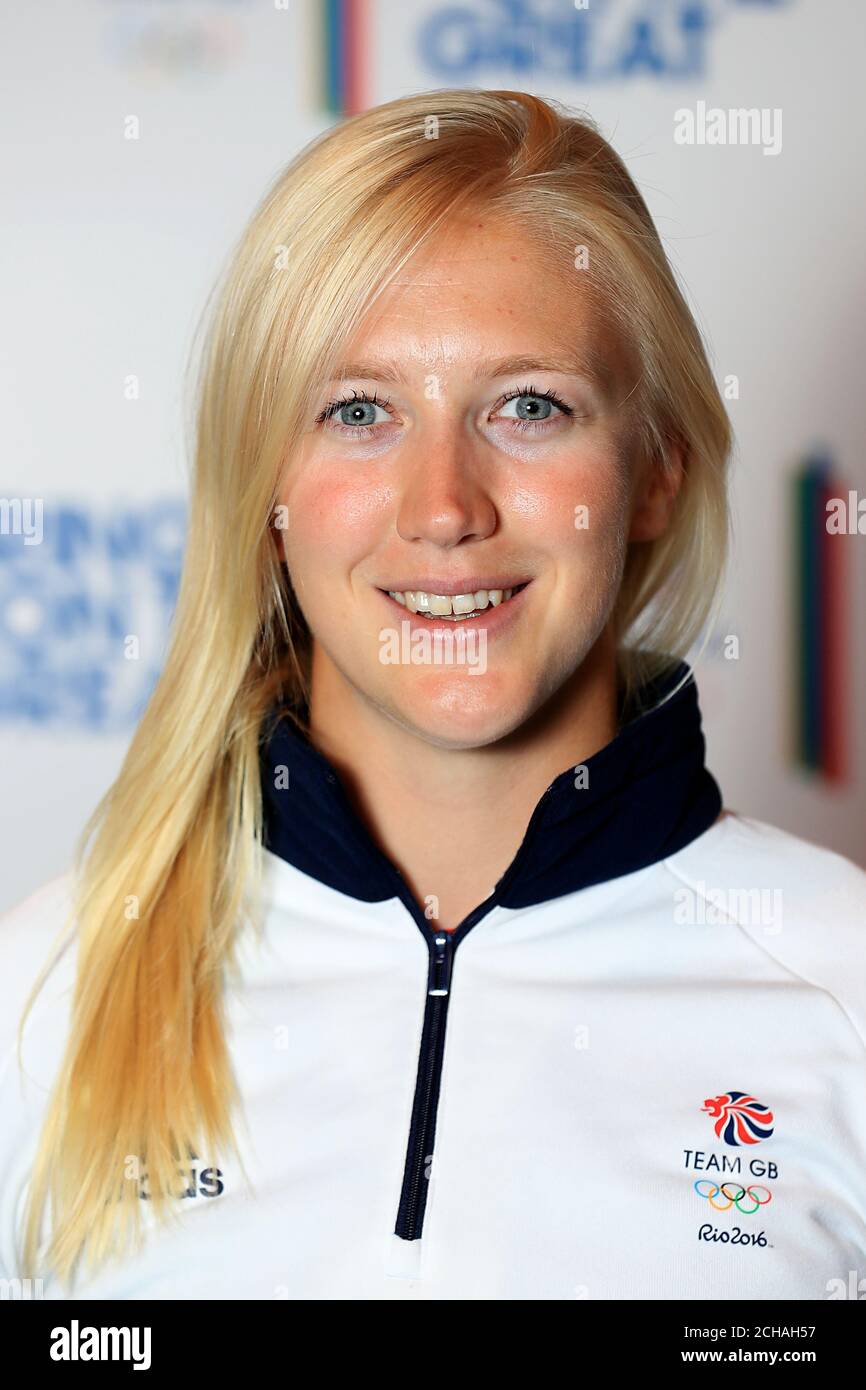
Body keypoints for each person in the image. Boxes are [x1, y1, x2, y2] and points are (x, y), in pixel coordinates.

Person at [1, 88, 864, 1301]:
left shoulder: (841, 986)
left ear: (654, 469)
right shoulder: (43, 989)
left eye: (528, 406)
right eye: (360, 412)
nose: (444, 507)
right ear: (266, 487)